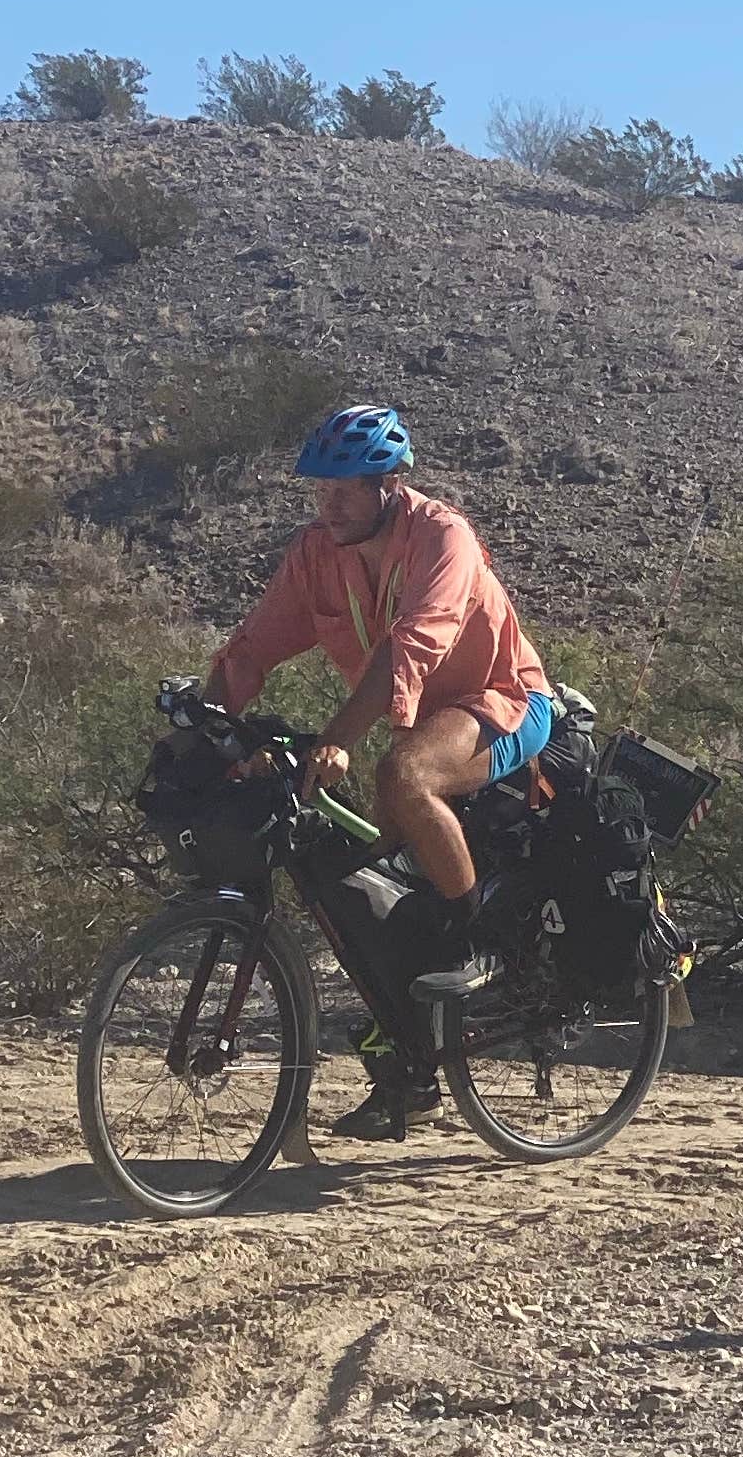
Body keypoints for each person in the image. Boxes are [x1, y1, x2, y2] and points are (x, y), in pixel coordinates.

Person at [205, 401, 556, 1138]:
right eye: (319, 490)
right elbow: (251, 651)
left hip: (502, 699)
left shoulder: (441, 535)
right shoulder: (315, 554)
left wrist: (336, 738)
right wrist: (206, 734)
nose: (327, 505)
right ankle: (410, 1067)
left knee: (405, 774)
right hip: (419, 720)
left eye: (344, 490)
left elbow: (414, 645)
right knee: (371, 903)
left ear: (387, 485)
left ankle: (481, 944)